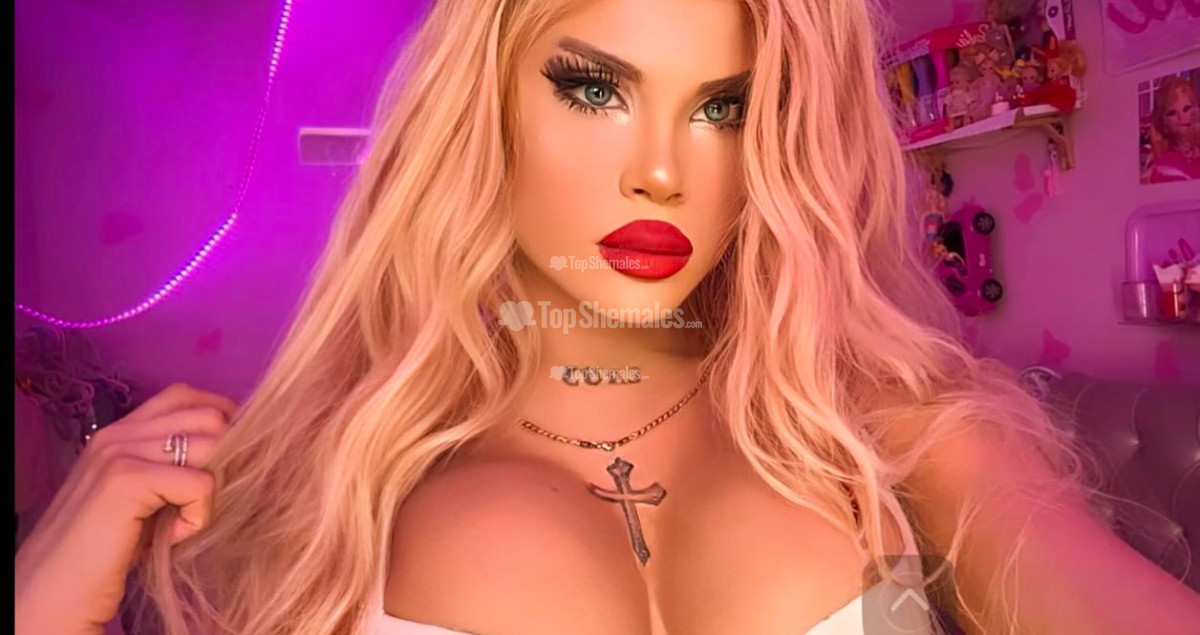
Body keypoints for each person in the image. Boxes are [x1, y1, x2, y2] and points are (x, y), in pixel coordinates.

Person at [15, 0, 1200, 634]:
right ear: (486, 112)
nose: (660, 171)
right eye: (593, 87)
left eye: (723, 107)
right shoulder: (327, 489)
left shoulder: (897, 436)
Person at [1146, 76, 1200, 184]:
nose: (1181, 117)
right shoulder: (1160, 166)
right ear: (1163, 124)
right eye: (1172, 113)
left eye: (1187, 108)